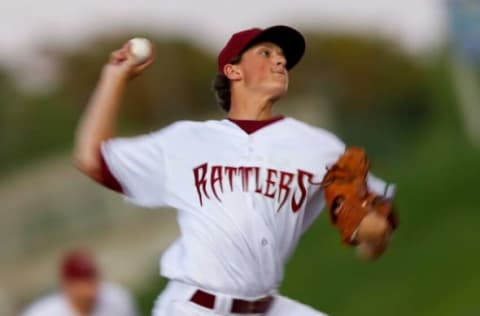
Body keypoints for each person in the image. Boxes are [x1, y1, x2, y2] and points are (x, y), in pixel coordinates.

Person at [73, 25, 396, 315]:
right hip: (194, 307)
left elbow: (375, 219)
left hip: (266, 306)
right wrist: (114, 77)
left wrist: (373, 235)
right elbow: (92, 158)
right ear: (233, 70)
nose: (280, 61)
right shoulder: (187, 140)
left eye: (283, 57)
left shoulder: (318, 147)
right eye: (266, 53)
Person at [22, 250, 137, 316]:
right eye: (81, 281)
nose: (89, 286)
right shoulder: (42, 312)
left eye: (91, 277)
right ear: (67, 285)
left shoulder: (118, 299)